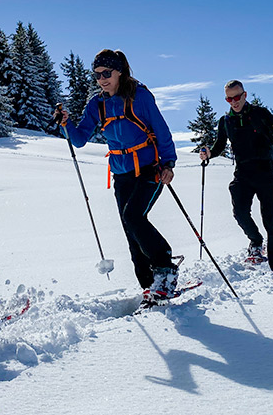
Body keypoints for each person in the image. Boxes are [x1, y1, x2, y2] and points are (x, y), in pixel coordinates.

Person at [57, 49, 180, 303]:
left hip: (150, 170)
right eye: (97, 74)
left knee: (133, 217)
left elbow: (161, 130)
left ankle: (165, 268)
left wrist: (168, 164)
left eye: (107, 73)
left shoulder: (140, 97)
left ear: (120, 72)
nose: (102, 79)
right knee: (130, 230)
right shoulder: (97, 105)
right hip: (121, 173)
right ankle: (150, 287)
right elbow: (79, 139)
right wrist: (66, 123)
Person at [199, 80, 273, 270]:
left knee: (270, 219)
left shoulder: (261, 114)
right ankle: (256, 241)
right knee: (239, 212)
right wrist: (208, 154)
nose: (234, 101)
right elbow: (219, 145)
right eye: (229, 98)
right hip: (243, 173)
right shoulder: (225, 121)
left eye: (237, 97)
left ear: (245, 95)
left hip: (265, 171)